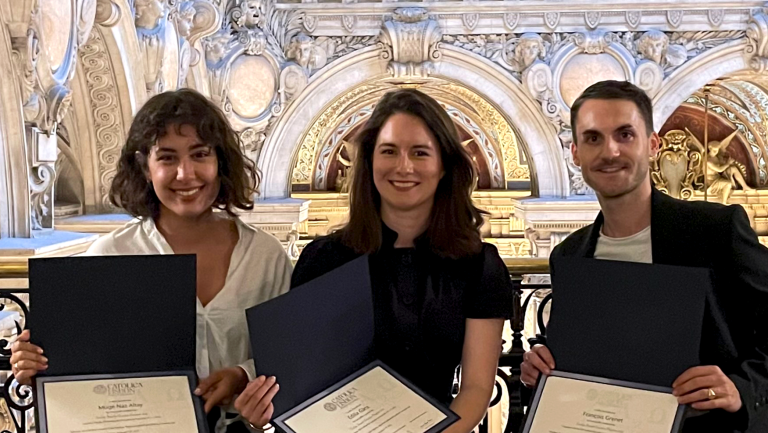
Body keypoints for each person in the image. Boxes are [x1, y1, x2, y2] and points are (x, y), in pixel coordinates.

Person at [10, 89, 293, 433]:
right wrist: (37, 364)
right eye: (168, 158)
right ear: (145, 168)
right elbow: (80, 374)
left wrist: (242, 375)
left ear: (220, 162)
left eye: (200, 154)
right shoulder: (109, 256)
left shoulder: (267, 256)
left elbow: (288, 355)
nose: (185, 174)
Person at [235, 88, 514, 432]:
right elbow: (301, 381)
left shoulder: (479, 266)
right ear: (369, 162)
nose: (404, 166)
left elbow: (475, 389)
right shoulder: (323, 261)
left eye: (420, 153)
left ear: (444, 166)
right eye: (389, 151)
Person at [520, 80, 768, 432]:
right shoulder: (569, 253)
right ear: (575, 153)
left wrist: (742, 388)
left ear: (652, 145)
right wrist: (542, 365)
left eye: (625, 135)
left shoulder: (715, 230)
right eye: (593, 138)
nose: (610, 151)